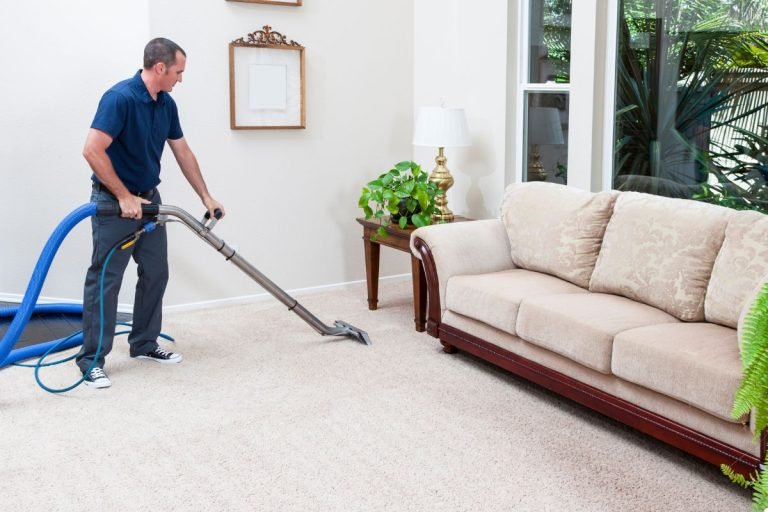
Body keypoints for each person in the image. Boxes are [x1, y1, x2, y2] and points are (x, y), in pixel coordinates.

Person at [77, 37, 225, 389]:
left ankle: (143, 343)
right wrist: (123, 196)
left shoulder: (166, 104)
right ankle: (91, 360)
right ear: (160, 68)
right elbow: (92, 150)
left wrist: (205, 196)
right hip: (115, 205)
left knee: (156, 271)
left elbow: (182, 151)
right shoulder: (120, 98)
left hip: (150, 201)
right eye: (178, 72)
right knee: (106, 281)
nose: (180, 79)